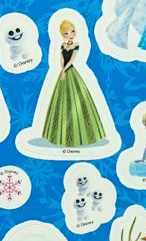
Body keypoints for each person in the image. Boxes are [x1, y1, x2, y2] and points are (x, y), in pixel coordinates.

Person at [40, 18, 105, 148]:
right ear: (62, 35)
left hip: (70, 71)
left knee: (77, 100)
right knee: (61, 100)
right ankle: (60, 134)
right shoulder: (63, 45)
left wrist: (64, 70)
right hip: (63, 72)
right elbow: (61, 59)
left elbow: (71, 60)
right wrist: (62, 69)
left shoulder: (76, 45)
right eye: (66, 33)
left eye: (72, 31)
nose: (70, 35)